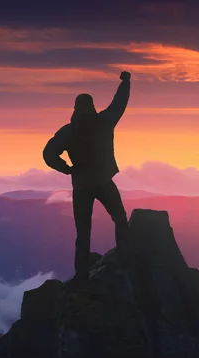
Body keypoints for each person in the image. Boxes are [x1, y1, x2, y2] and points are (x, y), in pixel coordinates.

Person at [47, 71, 132, 284]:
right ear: (92, 106)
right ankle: (125, 257)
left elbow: (48, 154)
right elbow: (119, 103)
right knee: (120, 217)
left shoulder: (68, 131)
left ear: (75, 108)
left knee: (83, 232)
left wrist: (67, 168)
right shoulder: (104, 121)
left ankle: (82, 275)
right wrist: (125, 82)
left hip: (82, 185)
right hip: (103, 181)